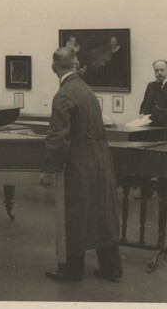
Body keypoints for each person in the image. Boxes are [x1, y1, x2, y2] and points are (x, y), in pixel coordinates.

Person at [40, 46, 122, 282]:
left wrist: (49, 170)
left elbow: (57, 136)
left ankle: (72, 271)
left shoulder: (64, 94)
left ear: (54, 68)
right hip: (100, 158)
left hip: (80, 160)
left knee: (74, 213)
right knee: (102, 213)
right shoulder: (87, 89)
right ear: (76, 63)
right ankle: (112, 269)